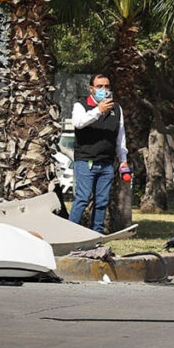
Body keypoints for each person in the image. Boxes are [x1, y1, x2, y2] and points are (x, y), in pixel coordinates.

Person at [69, 74, 128, 233]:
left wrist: (123, 160)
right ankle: (70, 233)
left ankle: (97, 235)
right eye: (99, 86)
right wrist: (98, 111)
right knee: (82, 198)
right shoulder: (81, 105)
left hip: (106, 163)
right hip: (86, 161)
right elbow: (78, 123)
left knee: (102, 201)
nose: (103, 90)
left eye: (106, 86)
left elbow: (120, 136)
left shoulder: (117, 109)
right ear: (91, 89)